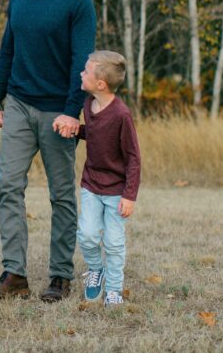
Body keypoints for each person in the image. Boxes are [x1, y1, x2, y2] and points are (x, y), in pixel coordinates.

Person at [0, 0, 96, 303]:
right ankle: (14, 273)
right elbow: (6, 53)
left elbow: (83, 61)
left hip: (57, 111)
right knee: (8, 186)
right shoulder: (19, 0)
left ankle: (60, 276)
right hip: (18, 104)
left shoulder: (77, 1)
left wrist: (71, 111)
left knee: (61, 195)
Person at [63, 50, 140, 306]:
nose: (81, 74)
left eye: (85, 71)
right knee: (86, 234)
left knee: (114, 242)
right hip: (91, 184)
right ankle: (96, 270)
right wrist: (77, 130)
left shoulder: (121, 115)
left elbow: (133, 158)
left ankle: (114, 290)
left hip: (117, 190)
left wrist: (129, 196)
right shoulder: (88, 104)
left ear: (100, 84)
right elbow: (96, 134)